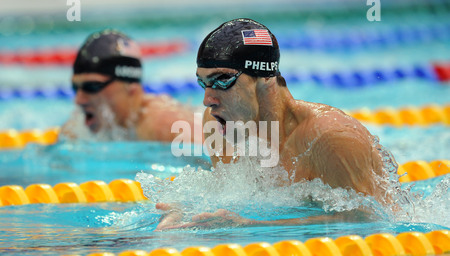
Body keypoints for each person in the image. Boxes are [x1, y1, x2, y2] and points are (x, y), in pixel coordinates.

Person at [155, 18, 396, 230]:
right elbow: (229, 197)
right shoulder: (219, 127)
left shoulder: (329, 139)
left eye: (222, 80)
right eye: (203, 83)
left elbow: (369, 220)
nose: (208, 100)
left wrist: (254, 227)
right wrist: (184, 212)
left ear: (264, 80)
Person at [60, 29, 201, 142]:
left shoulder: (168, 125)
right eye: (75, 88)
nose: (78, 100)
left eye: (92, 86)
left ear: (131, 85)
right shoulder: (76, 129)